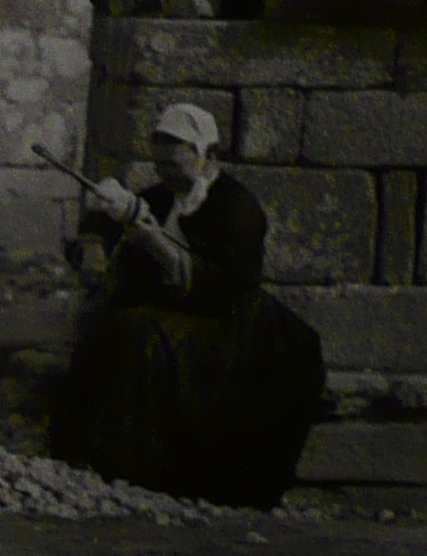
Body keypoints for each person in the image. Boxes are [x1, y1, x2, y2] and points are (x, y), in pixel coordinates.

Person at [50, 101, 325, 508]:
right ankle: (100, 458)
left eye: (173, 165)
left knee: (140, 336)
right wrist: (94, 244)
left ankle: (162, 473)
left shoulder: (236, 206)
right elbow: (106, 224)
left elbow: (216, 282)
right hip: (183, 312)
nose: (163, 174)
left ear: (204, 157)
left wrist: (146, 231)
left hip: (231, 322)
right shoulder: (166, 193)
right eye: (158, 164)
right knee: (116, 328)